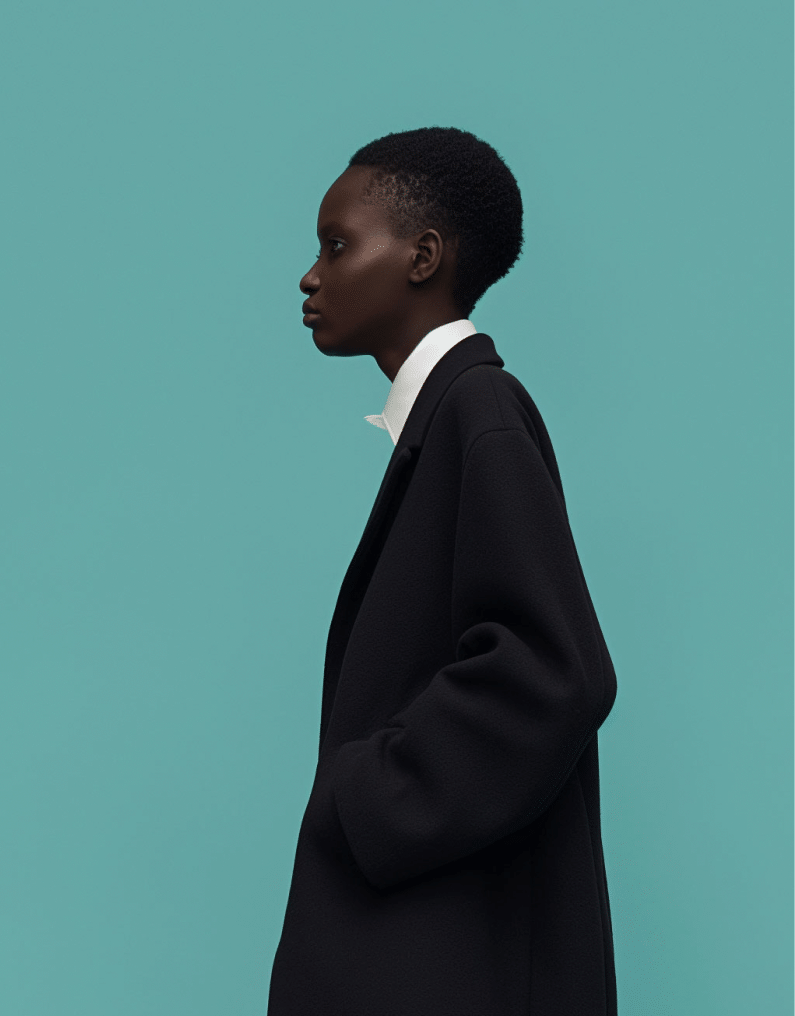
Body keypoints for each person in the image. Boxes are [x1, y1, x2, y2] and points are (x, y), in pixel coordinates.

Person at [268, 125, 618, 1015]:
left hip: (443, 957)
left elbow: (554, 670)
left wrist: (362, 796)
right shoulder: (450, 417)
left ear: (422, 257)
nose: (310, 276)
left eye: (336, 246)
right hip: (428, 942)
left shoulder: (478, 411)